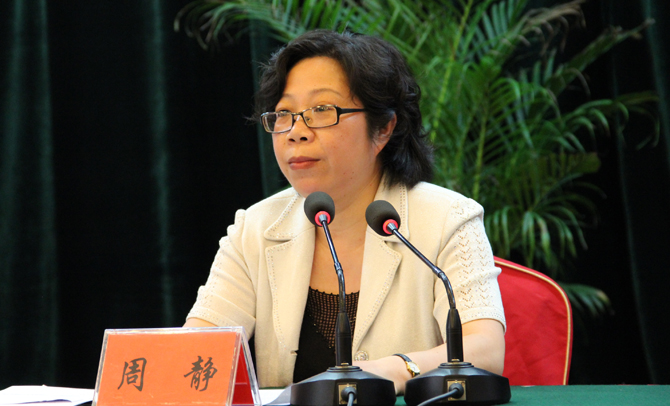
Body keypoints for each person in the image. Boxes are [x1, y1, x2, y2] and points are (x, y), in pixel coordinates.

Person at [184, 29, 506, 393]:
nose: (296, 132)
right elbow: (197, 352)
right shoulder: (256, 229)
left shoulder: (447, 218)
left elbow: (484, 349)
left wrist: (393, 371)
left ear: (383, 128)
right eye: (284, 114)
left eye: (322, 110)